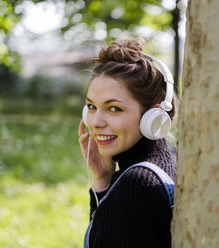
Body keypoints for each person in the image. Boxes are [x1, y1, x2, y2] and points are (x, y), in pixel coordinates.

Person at [78, 38, 178, 248]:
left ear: (153, 114)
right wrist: (103, 183)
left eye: (114, 108)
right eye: (91, 106)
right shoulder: (175, 157)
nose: (95, 122)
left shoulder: (137, 184)